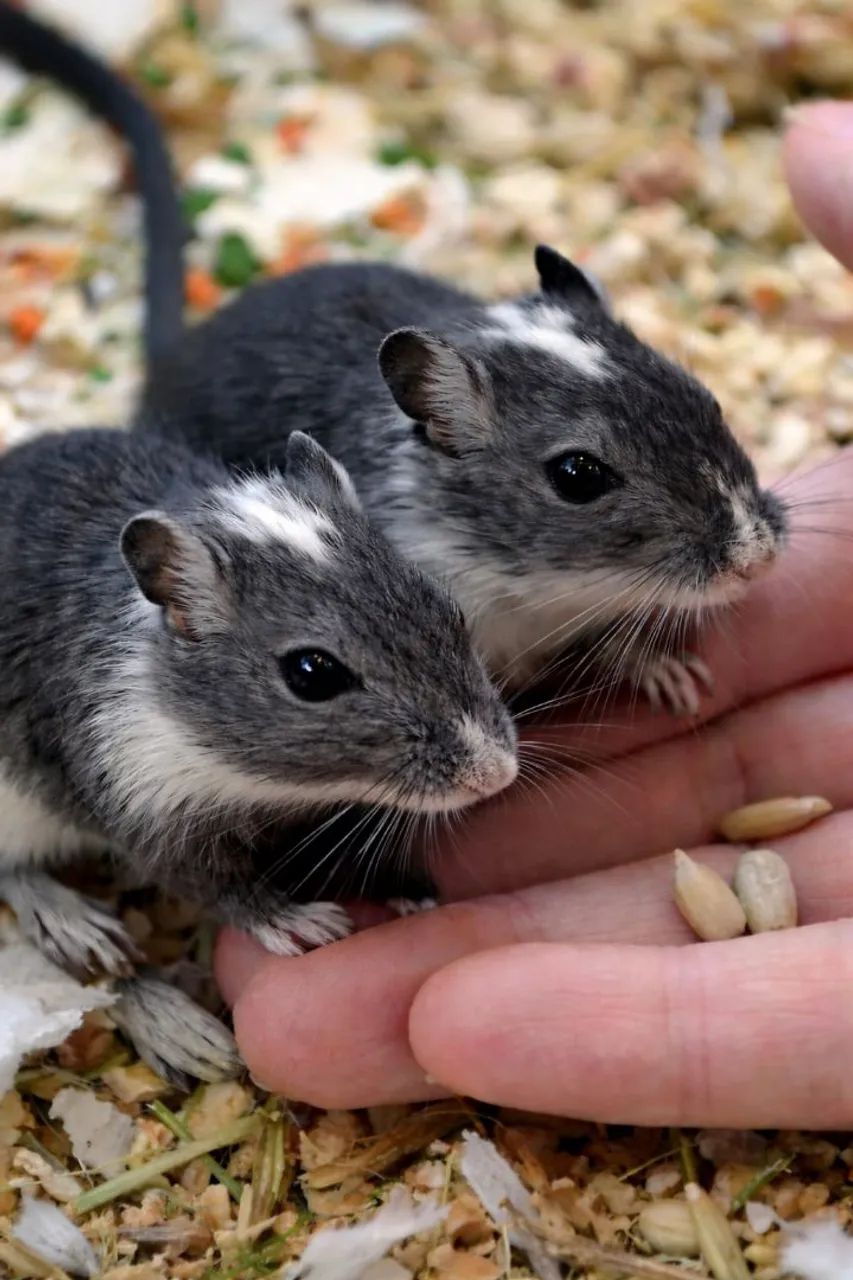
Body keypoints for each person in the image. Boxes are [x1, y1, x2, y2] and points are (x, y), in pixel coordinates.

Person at [216, 101, 853, 1127]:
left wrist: (631, 640)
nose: (750, 552)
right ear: (440, 423)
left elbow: (575, 584)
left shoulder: (546, 386)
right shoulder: (394, 550)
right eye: (578, 477)